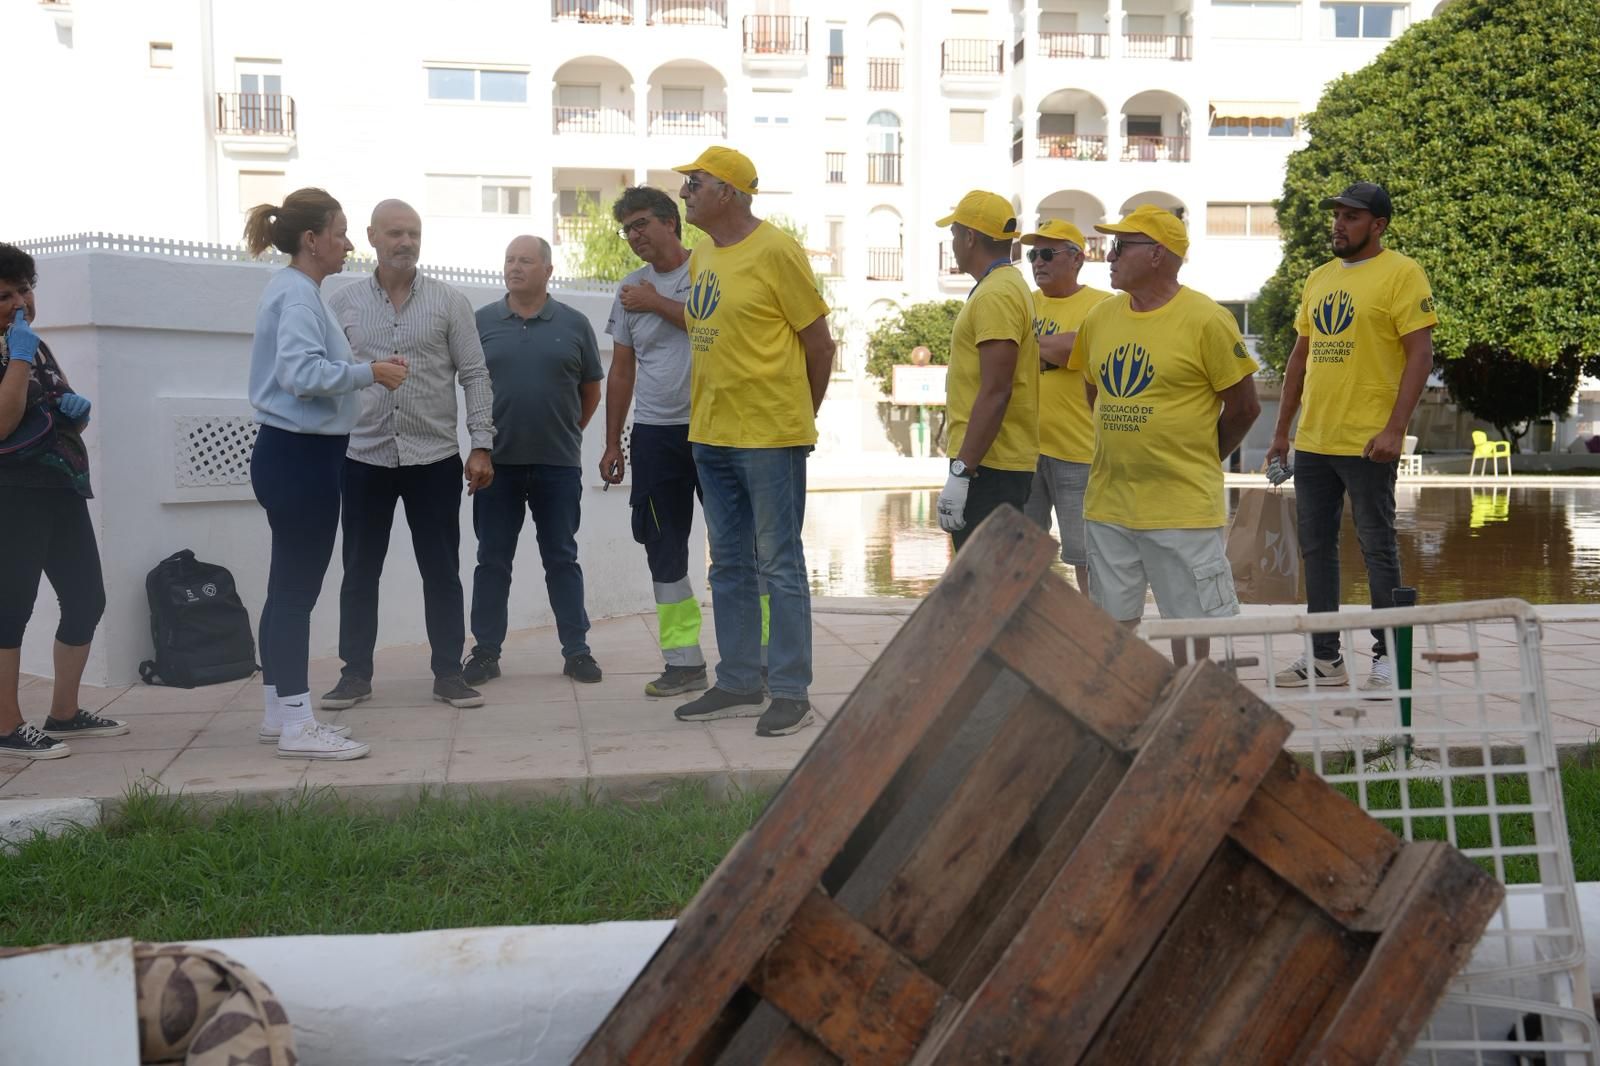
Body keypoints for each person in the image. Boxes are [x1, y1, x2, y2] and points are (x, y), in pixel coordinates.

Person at [669, 147, 835, 738]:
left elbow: (820, 344)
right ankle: (740, 681)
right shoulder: (704, 254)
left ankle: (790, 691)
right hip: (710, 433)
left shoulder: (777, 250)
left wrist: (800, 417)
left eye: (695, 182)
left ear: (730, 194)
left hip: (769, 437)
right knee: (729, 565)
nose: (684, 191)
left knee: (780, 566)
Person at [245, 188, 408, 760]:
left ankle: (278, 713)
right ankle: (296, 723)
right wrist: (371, 373)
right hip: (300, 456)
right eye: (338, 232)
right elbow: (299, 372)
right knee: (295, 593)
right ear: (310, 240)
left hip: (296, 455)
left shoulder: (298, 291)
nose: (345, 243)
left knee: (284, 589)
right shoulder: (297, 296)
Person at [321, 200, 495, 713]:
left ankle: (449, 674)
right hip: (364, 455)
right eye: (395, 233)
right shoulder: (344, 303)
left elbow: (475, 374)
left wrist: (480, 443)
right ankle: (354, 674)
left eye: (414, 233)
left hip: (433, 457)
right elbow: (327, 373)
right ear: (372, 236)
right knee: (359, 571)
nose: (406, 242)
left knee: (441, 570)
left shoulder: (449, 302)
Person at [1068, 205, 1261, 664]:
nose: (1108, 255)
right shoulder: (1100, 318)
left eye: (1120, 246)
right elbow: (1094, 392)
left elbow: (1245, 407)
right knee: (1109, 625)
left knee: (1189, 626)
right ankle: (1116, 714)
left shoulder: (1206, 320)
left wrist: (1199, 455)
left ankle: (1189, 717)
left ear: (1157, 254)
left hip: (1182, 509)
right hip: (1109, 504)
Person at [1266, 182, 1437, 692]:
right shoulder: (1318, 278)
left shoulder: (1402, 273)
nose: (1339, 224)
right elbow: (1301, 357)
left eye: (1352, 217)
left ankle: (1388, 654)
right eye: (1337, 215)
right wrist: (1282, 432)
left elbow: (1420, 355)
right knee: (1316, 549)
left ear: (1378, 225)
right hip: (1316, 439)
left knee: (1377, 546)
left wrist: (1395, 428)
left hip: (1369, 442)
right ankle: (1325, 658)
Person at [0, 242, 126, 759]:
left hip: (61, 488)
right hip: (12, 494)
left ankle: (65, 713)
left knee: (86, 598)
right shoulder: (19, 348)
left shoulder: (34, 344)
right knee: (10, 609)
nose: (21, 302)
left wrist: (79, 411)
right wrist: (19, 357)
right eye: (6, 295)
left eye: (26, 289)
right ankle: (7, 726)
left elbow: (56, 409)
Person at [464, 236, 604, 686]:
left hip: (558, 466)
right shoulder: (480, 322)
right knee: (492, 561)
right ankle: (485, 653)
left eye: (526, 260)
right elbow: (467, 384)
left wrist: (563, 434)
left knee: (562, 558)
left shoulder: (575, 324)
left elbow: (590, 391)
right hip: (494, 466)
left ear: (548, 269)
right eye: (509, 259)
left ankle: (577, 651)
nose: (515, 267)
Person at [599, 186, 712, 697]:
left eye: (642, 223)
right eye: (627, 229)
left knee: (740, 548)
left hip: (718, 429)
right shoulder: (629, 289)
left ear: (672, 222)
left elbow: (719, 325)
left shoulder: (710, 269)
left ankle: (755, 661)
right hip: (654, 435)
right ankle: (683, 662)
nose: (634, 235)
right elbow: (621, 372)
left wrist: (657, 302)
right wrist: (613, 444)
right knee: (662, 549)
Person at [934, 190, 1040, 551]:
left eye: (954, 234)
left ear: (969, 237)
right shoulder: (1003, 286)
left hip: (989, 466)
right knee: (989, 589)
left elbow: (997, 390)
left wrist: (962, 472)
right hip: (991, 462)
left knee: (983, 590)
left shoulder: (996, 294)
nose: (952, 243)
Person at [1020, 219, 1111, 590]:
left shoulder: (1103, 305)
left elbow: (1079, 347)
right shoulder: (1022, 303)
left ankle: (1095, 637)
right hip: (1024, 451)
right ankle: (1028, 634)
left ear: (1077, 259)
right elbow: (1004, 353)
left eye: (1046, 254)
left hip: (1080, 453)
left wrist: (1031, 352)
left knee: (1088, 557)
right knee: (1022, 556)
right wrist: (1051, 353)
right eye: (1032, 255)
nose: (1037, 262)